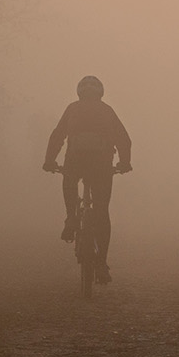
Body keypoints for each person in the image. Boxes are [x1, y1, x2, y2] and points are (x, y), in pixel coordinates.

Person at [42, 75, 132, 283]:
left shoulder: (73, 108)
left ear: (80, 92)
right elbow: (123, 139)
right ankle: (100, 264)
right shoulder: (107, 110)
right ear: (100, 93)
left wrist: (49, 161)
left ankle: (71, 217)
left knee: (69, 180)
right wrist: (124, 163)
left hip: (76, 162)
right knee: (102, 212)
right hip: (101, 166)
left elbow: (57, 136)